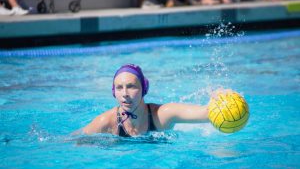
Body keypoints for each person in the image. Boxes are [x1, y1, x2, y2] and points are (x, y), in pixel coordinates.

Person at [73, 64, 226, 137]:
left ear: (144, 89)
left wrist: (221, 98)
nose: (125, 93)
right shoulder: (106, 122)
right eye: (119, 88)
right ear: (114, 91)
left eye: (131, 86)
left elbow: (207, 113)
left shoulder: (162, 115)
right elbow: (72, 141)